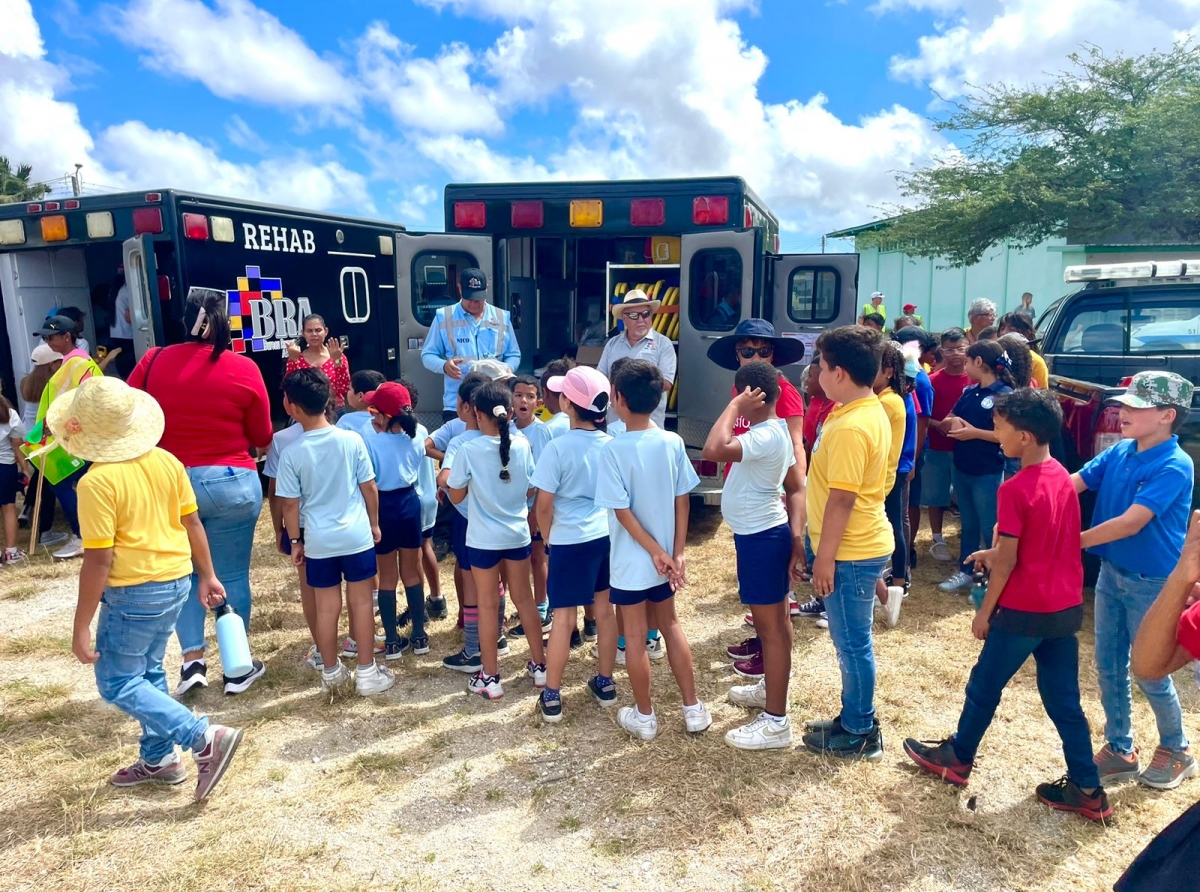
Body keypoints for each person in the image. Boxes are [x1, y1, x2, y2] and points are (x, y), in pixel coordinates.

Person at [904, 389, 1111, 821]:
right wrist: (991, 554)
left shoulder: (1015, 488)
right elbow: (1043, 544)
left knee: (983, 686)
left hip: (1023, 610)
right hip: (1064, 608)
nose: (996, 434)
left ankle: (958, 758)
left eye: (1001, 428)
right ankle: (1088, 788)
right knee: (1065, 703)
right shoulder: (1060, 476)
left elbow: (1012, 559)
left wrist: (984, 612)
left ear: (1026, 437)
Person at [60, 377, 244, 802]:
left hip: (134, 591)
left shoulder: (96, 483)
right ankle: (160, 757)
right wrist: (209, 574)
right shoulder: (166, 461)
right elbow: (192, 522)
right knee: (148, 669)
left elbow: (99, 559)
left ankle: (201, 737)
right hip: (176, 580)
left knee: (117, 682)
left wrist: (81, 625)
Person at [128, 288, 272, 697]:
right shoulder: (242, 367)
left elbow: (131, 413)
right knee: (229, 574)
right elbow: (261, 434)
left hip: (166, 479)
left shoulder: (153, 360)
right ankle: (237, 666)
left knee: (183, 574)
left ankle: (192, 661)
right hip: (229, 480)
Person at [1073, 371, 1197, 790]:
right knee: (1108, 663)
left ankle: (1177, 748)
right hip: (1113, 573)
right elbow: (1075, 482)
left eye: (1136, 407)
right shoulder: (1122, 451)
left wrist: (1069, 541)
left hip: (1154, 584)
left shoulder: (1175, 465)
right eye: (1124, 404)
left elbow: (1131, 523)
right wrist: (1035, 498)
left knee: (1151, 670)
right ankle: (1120, 748)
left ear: (1167, 415)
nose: (1123, 412)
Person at [595, 359, 710, 740]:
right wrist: (673, 553)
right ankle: (692, 708)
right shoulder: (672, 441)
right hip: (664, 562)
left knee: (636, 634)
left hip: (632, 562)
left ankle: (645, 716)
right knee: (672, 625)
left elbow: (622, 512)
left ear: (617, 398)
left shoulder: (612, 450)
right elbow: (683, 501)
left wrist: (654, 553)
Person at [800, 325, 893, 761]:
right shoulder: (857, 410)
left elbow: (842, 499)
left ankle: (860, 730)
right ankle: (854, 715)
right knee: (852, 640)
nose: (817, 372)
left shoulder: (851, 425)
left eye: (820, 365)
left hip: (850, 551)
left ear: (838, 372)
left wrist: (826, 560)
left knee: (853, 643)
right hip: (855, 548)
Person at [702, 361, 805, 750]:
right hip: (762, 536)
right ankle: (770, 692)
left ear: (752, 396)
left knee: (770, 632)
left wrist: (734, 409)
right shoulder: (773, 431)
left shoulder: (764, 434)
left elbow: (713, 449)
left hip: (762, 538)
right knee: (776, 624)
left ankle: (776, 721)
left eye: (739, 394)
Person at [276, 368, 394, 697]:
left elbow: (289, 506)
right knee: (360, 604)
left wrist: (296, 540)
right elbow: (369, 487)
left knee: (327, 607)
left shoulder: (292, 452)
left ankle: (331, 673)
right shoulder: (351, 439)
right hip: (355, 535)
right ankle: (368, 672)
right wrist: (373, 523)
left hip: (318, 540)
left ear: (291, 406)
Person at [446, 381, 545, 700]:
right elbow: (532, 489)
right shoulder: (522, 444)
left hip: (482, 540)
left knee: (488, 605)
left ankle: (490, 676)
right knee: (525, 599)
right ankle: (540, 667)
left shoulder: (467, 450)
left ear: (476, 412)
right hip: (517, 535)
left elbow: (456, 493)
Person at [532, 366, 618, 722]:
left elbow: (544, 504)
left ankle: (552, 694)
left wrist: (548, 536)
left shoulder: (557, 448)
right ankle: (606, 681)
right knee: (604, 611)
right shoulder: (613, 445)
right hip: (606, 536)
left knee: (564, 617)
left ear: (567, 404)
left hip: (570, 540)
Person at [937, 340, 1016, 592]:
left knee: (989, 525)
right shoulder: (969, 392)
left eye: (969, 360)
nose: (966, 365)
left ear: (979, 362)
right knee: (968, 524)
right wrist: (954, 421)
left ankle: (991, 578)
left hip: (988, 471)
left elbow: (1006, 435)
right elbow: (949, 417)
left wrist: (973, 433)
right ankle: (967, 570)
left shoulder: (1004, 395)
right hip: (962, 467)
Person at [362, 382, 429, 660]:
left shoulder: (370, 442)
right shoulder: (417, 436)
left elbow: (370, 482)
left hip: (383, 507)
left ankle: (391, 640)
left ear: (383, 416)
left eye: (373, 410)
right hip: (410, 504)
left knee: (387, 576)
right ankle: (420, 635)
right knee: (412, 572)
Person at [31, 314, 102, 560]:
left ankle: (82, 535)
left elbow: (80, 401)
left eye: (51, 337)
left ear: (67, 337)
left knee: (62, 483)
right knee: (80, 483)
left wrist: (57, 423)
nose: (47, 341)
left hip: (71, 436)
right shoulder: (76, 362)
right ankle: (87, 533)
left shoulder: (77, 365)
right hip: (70, 434)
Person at [437, 373, 490, 671]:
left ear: (465, 407)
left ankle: (472, 650)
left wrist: (445, 482)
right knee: (495, 585)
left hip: (469, 521)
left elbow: (446, 478)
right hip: (502, 524)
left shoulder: (460, 442)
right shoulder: (510, 437)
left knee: (471, 585)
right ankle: (496, 639)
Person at [421, 268, 521, 422]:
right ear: (460, 289)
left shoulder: (502, 316)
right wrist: (444, 366)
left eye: (478, 299)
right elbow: (428, 355)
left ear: (486, 289)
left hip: (495, 401)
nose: (474, 304)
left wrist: (508, 368)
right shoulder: (444, 317)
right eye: (470, 298)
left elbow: (514, 354)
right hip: (458, 404)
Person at [263, 407, 320, 671]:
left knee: (310, 588)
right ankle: (354, 640)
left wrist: (281, 530)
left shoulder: (282, 440)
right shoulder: (347, 434)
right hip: (345, 524)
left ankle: (322, 649)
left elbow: (277, 493)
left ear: (289, 404)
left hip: (305, 526)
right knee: (354, 588)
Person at [922, 328, 970, 564]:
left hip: (967, 448)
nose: (955, 354)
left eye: (960, 348)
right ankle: (938, 539)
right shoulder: (932, 381)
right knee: (935, 495)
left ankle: (969, 536)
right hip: (937, 447)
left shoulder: (975, 379)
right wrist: (937, 424)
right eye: (950, 350)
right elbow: (922, 416)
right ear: (941, 351)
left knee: (965, 496)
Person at [872, 340, 912, 622]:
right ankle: (893, 584)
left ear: (888, 371)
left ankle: (897, 582)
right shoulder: (887, 397)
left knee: (893, 527)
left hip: (885, 476)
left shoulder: (887, 401)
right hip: (886, 474)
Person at [596, 290, 676, 429]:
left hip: (651, 428)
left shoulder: (663, 343)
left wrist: (626, 394)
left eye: (645, 314)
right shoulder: (612, 344)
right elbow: (600, 378)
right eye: (634, 315)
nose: (641, 319)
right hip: (615, 427)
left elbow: (667, 383)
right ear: (624, 318)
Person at [400, 378, 445, 621]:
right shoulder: (422, 429)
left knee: (413, 553)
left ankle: (416, 606)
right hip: (429, 496)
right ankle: (437, 598)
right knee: (425, 547)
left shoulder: (403, 433)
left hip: (413, 499)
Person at [893, 327, 936, 569]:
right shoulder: (901, 376)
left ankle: (907, 553)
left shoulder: (919, 380)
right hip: (902, 455)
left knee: (908, 507)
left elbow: (922, 424)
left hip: (910, 454)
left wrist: (913, 460)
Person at [17, 344, 63, 546]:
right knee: (50, 486)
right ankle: (45, 531)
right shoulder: (53, 384)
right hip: (45, 438)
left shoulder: (26, 382)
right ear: (52, 363)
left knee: (40, 480)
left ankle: (27, 509)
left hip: (30, 439)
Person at [286, 314, 350, 408]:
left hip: (335, 409)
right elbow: (290, 387)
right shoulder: (297, 358)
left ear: (326, 331)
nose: (314, 334)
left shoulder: (336, 355)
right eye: (309, 331)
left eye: (318, 330)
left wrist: (337, 361)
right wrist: (293, 360)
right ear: (303, 333)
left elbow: (344, 387)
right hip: (308, 411)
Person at [1, 386, 30, 566]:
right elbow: (17, 445)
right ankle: (11, 553)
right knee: (9, 507)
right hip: (5, 466)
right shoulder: (8, 413)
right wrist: (25, 469)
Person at [997, 312, 1048, 388]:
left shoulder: (1036, 362)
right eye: (1002, 328)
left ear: (1026, 333)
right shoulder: (995, 354)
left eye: (1011, 329)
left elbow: (1041, 393)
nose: (1004, 333)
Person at [336, 370, 386, 436]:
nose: (347, 392)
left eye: (349, 389)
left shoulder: (346, 421)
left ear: (360, 396)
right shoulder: (388, 419)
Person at [109, 269, 136, 378]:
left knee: (123, 368)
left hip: (115, 334)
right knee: (132, 369)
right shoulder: (127, 290)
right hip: (127, 335)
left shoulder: (114, 290)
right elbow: (129, 317)